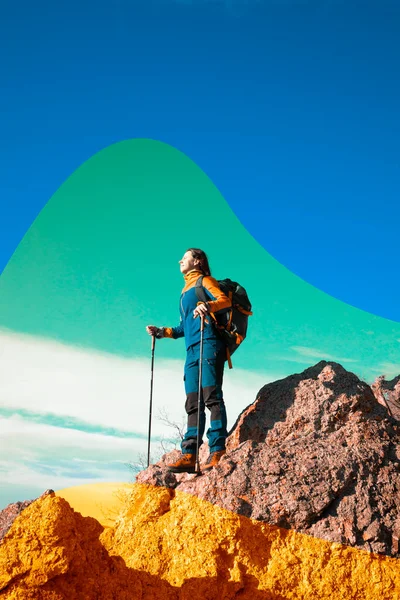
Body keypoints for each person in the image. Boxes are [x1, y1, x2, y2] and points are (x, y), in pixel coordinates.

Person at [146, 248, 232, 473]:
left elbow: (224, 301)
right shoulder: (185, 293)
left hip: (209, 343)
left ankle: (217, 449)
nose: (180, 261)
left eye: (184, 257)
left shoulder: (205, 281)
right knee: (193, 402)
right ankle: (189, 453)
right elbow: (184, 326)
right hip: (192, 349)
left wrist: (209, 305)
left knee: (211, 396)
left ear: (197, 261)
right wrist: (162, 332)